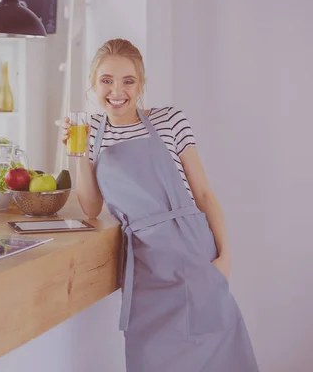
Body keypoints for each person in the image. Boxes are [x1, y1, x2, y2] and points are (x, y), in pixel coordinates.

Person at [61, 38, 258, 371]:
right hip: (145, 265)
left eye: (128, 81)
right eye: (106, 80)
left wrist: (225, 257)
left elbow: (204, 194)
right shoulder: (91, 131)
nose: (117, 91)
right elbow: (92, 208)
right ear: (93, 85)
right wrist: (76, 152)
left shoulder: (170, 121)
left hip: (193, 254)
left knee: (216, 354)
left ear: (141, 84)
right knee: (152, 359)